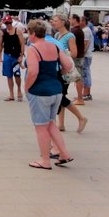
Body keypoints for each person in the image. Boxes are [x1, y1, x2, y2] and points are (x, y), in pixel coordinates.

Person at [24, 19, 74, 170]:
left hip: (40, 91)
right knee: (51, 123)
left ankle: (45, 160)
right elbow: (68, 65)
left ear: (33, 33)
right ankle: (64, 153)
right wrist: (60, 74)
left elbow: (33, 72)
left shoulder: (33, 49)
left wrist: (27, 88)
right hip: (56, 90)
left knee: (40, 127)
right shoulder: (53, 46)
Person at [50, 14, 87, 133]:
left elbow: (75, 53)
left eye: (55, 21)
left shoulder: (70, 36)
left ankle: (81, 118)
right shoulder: (56, 35)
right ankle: (61, 124)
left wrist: (62, 53)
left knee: (60, 96)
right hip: (58, 69)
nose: (53, 23)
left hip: (65, 69)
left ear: (62, 22)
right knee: (61, 96)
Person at [0, 15, 25, 102]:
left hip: (15, 56)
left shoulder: (18, 30)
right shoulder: (3, 32)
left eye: (9, 23)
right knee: (9, 75)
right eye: (6, 23)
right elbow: (0, 45)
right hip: (7, 55)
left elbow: (22, 44)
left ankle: (19, 90)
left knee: (17, 75)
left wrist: (21, 56)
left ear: (12, 22)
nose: (8, 25)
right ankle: (11, 94)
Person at [69, 13, 86, 105]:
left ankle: (80, 98)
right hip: (79, 56)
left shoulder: (75, 31)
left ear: (75, 20)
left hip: (77, 57)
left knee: (77, 78)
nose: (69, 20)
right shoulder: (78, 30)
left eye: (70, 19)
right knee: (78, 77)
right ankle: (79, 96)